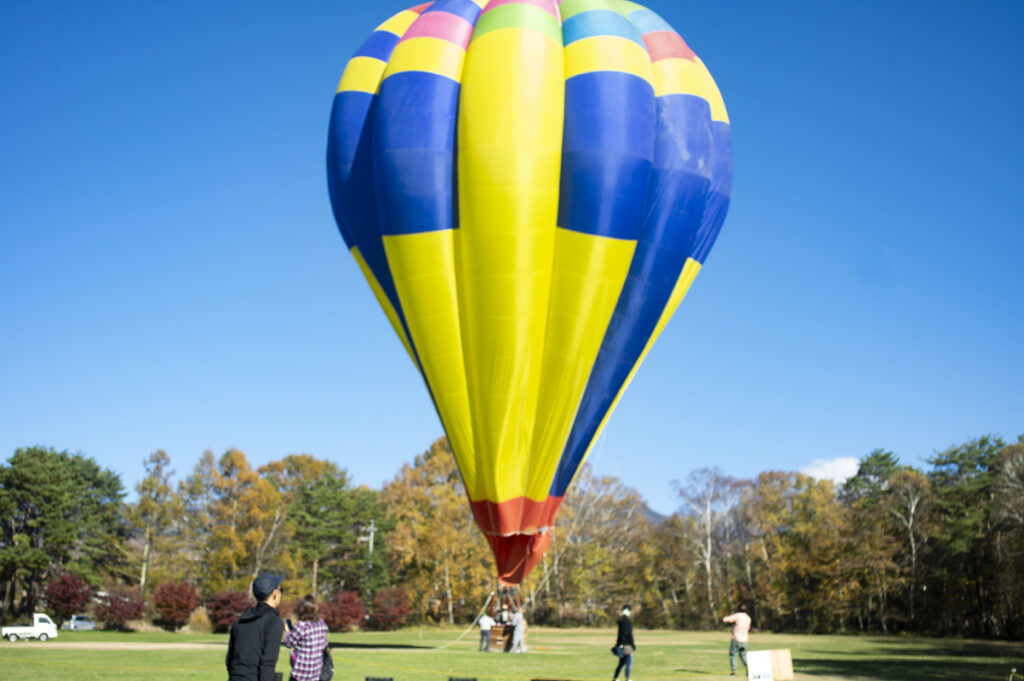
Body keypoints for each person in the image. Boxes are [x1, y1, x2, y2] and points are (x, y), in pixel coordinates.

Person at [227, 572, 285, 681]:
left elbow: (230, 659)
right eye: (280, 589)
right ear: (275, 593)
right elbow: (267, 663)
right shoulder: (273, 622)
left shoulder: (241, 619)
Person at [283, 596, 329, 681]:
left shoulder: (301, 625)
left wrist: (287, 631)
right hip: (316, 672)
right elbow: (324, 644)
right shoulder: (322, 624)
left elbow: (288, 643)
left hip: (300, 673)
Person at [722, 604, 752, 676]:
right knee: (743, 655)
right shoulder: (748, 618)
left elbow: (726, 619)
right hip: (745, 639)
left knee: (733, 655)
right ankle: (749, 668)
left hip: (736, 639)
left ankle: (733, 671)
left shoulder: (737, 615)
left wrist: (724, 616)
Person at [612, 605, 635, 681]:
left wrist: (617, 644)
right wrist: (632, 645)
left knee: (621, 663)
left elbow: (619, 634)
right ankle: (627, 678)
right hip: (627, 645)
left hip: (620, 645)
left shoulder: (620, 621)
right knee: (629, 662)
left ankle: (615, 678)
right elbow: (629, 634)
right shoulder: (628, 622)